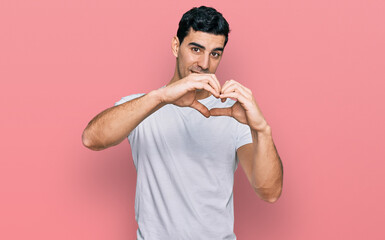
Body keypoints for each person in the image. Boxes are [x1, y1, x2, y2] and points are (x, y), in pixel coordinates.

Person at [82, 6, 283, 240]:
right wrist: (161, 97)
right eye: (196, 49)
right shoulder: (143, 106)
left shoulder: (233, 113)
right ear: (176, 46)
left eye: (215, 53)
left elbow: (269, 192)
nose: (205, 64)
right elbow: (91, 138)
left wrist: (262, 129)